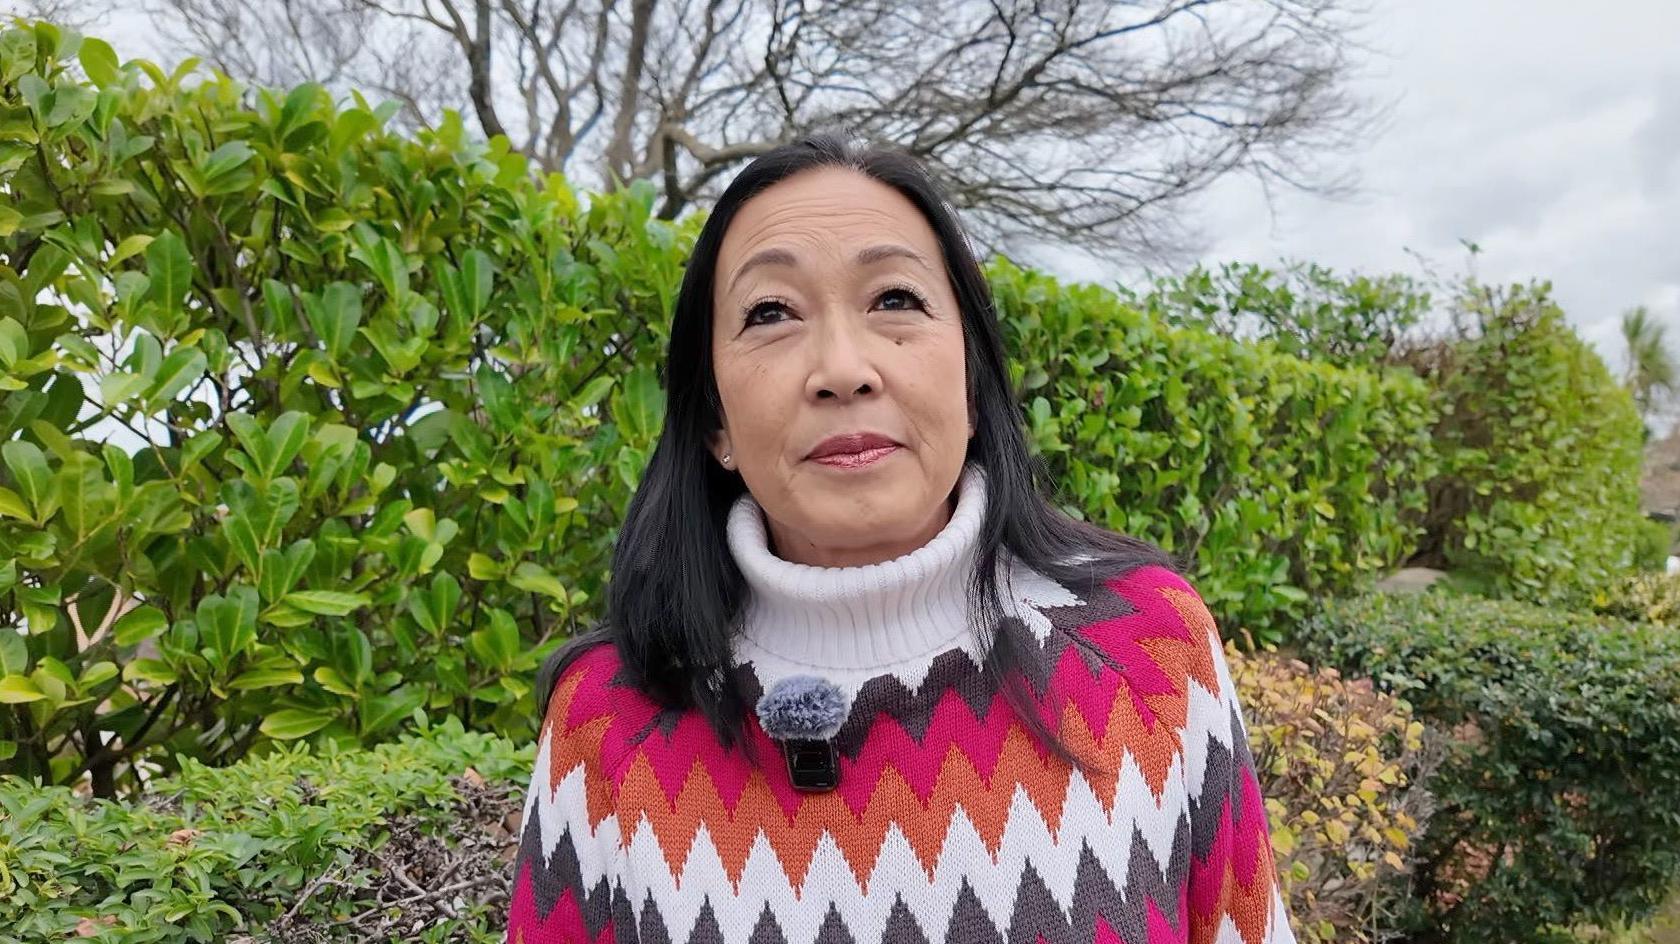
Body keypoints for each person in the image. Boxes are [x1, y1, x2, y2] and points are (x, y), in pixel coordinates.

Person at [505, 130, 1298, 944]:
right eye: (771, 312)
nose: (844, 369)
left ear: (971, 377)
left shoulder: (1147, 648)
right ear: (715, 421)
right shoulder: (608, 723)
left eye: (895, 300)